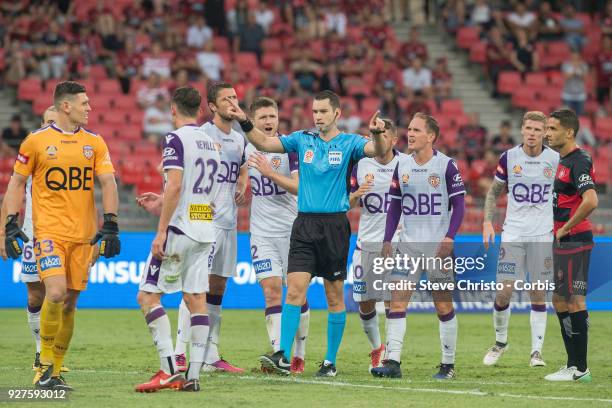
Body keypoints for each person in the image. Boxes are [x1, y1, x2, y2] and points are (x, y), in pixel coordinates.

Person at [227, 90, 387, 376]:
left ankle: (329, 361)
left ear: (337, 114)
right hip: (303, 225)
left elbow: (378, 151)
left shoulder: (350, 142)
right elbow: (263, 142)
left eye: (323, 112)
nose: (318, 116)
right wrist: (244, 122)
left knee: (334, 297)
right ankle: (283, 355)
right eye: (315, 111)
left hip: (335, 226)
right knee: (295, 291)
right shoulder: (301, 140)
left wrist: (376, 134)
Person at [1, 81, 120, 390]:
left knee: (69, 304)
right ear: (66, 106)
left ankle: (54, 371)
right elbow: (16, 183)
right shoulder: (35, 142)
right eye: (84, 103)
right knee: (54, 293)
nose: (90, 108)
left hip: (83, 237)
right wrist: (10, 223)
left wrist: (110, 223)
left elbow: (108, 183)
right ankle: (43, 363)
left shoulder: (95, 143)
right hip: (49, 233)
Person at [135, 86, 220, 393]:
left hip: (180, 230)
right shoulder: (211, 143)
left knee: (147, 297)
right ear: (200, 109)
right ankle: (193, 376)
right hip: (204, 230)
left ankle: (169, 369)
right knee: (196, 299)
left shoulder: (174, 138)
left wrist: (161, 230)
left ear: (172, 109)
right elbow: (202, 195)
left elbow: (176, 185)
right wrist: (163, 200)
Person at [372, 112, 466, 379]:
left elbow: (459, 204)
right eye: (409, 129)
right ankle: (393, 362)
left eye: (415, 130)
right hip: (408, 247)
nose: (409, 134)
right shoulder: (401, 165)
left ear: (431, 136)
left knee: (443, 306)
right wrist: (388, 238)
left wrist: (450, 237)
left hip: (438, 248)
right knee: (397, 302)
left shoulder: (446, 166)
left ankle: (448, 365)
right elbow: (395, 205)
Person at [0, 107, 80, 378]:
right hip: (36, 234)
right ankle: (40, 353)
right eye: (48, 122)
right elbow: (13, 191)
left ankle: (53, 358)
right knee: (37, 294)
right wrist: (4, 232)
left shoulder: (74, 152)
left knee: (62, 296)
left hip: (70, 234)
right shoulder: (33, 149)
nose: (51, 127)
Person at [174, 82, 248, 373]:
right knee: (195, 284)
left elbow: (241, 165)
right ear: (213, 107)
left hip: (228, 221)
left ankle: (209, 354)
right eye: (226, 99)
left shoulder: (240, 138)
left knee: (218, 285)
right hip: (203, 216)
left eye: (235, 97)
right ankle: (181, 352)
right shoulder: (203, 133)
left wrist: (243, 182)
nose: (233, 102)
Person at [482, 111, 559, 368]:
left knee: (538, 294)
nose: (532, 133)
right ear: (522, 129)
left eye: (538, 129)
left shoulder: (555, 159)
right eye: (528, 128)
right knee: (504, 292)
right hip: (513, 234)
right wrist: (486, 222)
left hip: (541, 235)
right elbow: (493, 193)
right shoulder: (509, 157)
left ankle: (536, 352)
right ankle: (500, 343)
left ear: (545, 132)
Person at [244, 97, 310, 374]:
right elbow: (237, 169)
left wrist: (270, 173)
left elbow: (298, 187)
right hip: (261, 233)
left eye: (273, 116)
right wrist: (240, 182)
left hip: (293, 231)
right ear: (253, 122)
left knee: (297, 294)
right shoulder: (246, 147)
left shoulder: (289, 147)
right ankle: (279, 354)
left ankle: (299, 355)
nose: (270, 122)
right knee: (271, 291)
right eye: (263, 118)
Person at [544, 109, 597, 383]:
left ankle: (581, 368)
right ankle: (571, 364)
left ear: (569, 132)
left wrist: (565, 227)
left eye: (552, 128)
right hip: (563, 240)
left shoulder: (579, 160)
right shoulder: (564, 160)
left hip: (575, 239)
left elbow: (590, 200)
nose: (547, 133)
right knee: (558, 299)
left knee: (575, 300)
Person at [349, 118, 403, 373]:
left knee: (394, 301)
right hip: (366, 244)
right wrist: (357, 193)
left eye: (383, 136)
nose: (378, 141)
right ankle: (377, 348)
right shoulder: (360, 165)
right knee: (365, 303)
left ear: (393, 140)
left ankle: (392, 358)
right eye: (374, 137)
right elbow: (345, 204)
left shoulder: (405, 165)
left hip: (396, 245)